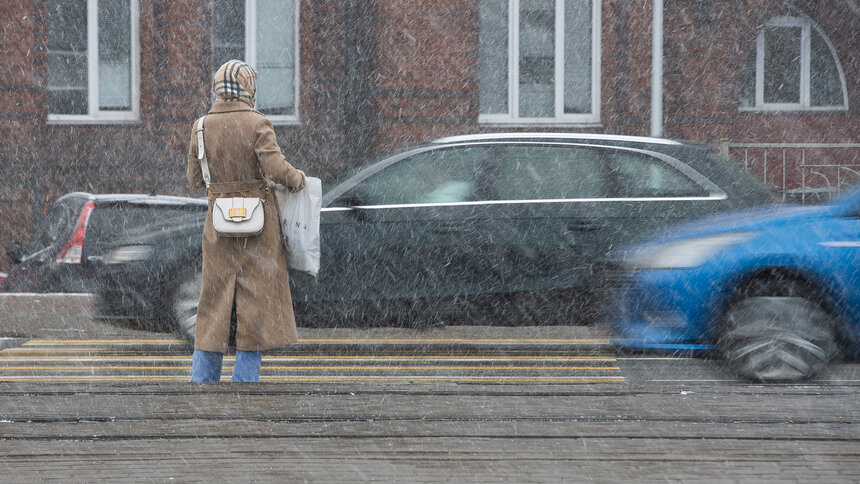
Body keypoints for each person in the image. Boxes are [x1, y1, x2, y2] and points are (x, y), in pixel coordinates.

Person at [186, 60, 306, 382]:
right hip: (257, 228)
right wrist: (298, 180)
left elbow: (194, 180)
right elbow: (277, 169)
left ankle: (203, 379)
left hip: (218, 228)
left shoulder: (201, 126)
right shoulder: (257, 123)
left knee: (212, 304)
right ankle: (244, 382)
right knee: (254, 308)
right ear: (248, 87)